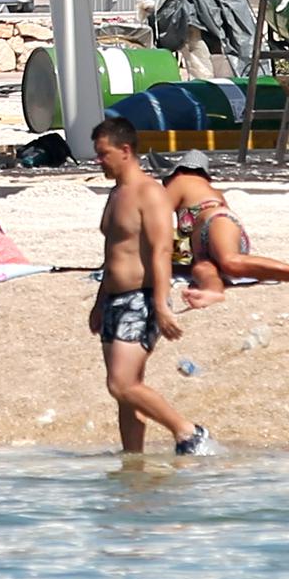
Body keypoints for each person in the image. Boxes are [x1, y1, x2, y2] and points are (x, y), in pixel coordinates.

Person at [89, 117, 212, 456]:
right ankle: (133, 463)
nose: (98, 161)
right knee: (129, 392)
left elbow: (161, 250)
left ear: (125, 151)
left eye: (103, 154)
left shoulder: (151, 194)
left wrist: (161, 304)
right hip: (114, 300)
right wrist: (100, 303)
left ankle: (188, 432)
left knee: (120, 384)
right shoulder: (116, 193)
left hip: (141, 300)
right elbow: (112, 251)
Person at [160, 150, 289, 308]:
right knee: (202, 268)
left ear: (178, 171)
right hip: (214, 234)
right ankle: (213, 291)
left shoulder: (181, 180)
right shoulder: (210, 190)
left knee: (230, 262)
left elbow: (156, 217)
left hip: (216, 220)